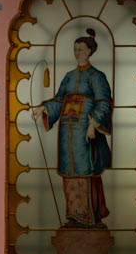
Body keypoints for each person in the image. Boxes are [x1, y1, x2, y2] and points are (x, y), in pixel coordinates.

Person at [32, 28, 112, 228]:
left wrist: (94, 124)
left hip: (85, 132)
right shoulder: (68, 76)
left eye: (81, 49)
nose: (78, 53)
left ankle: (89, 216)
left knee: (86, 171)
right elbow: (59, 100)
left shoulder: (97, 76)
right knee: (69, 173)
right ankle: (74, 215)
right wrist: (44, 107)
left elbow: (104, 102)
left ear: (90, 51)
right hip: (67, 133)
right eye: (75, 49)